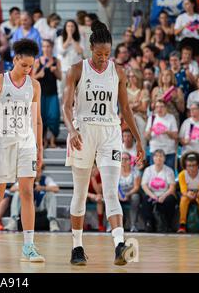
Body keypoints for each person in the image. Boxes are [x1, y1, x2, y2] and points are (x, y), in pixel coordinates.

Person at [63, 21, 145, 266]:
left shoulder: (117, 71)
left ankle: (119, 245)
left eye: (107, 54)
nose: (102, 58)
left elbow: (126, 108)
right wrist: (71, 130)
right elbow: (66, 107)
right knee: (79, 194)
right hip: (83, 131)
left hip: (110, 132)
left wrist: (138, 139)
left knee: (111, 191)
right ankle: (77, 247)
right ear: (90, 49)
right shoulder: (76, 70)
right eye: (99, 54)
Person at [0, 39, 45, 262]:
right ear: (15, 60)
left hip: (26, 143)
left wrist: (40, 149)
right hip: (1, 142)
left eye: (31, 66)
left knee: (27, 192)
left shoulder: (34, 86)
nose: (27, 70)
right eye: (24, 65)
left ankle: (29, 246)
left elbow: (38, 120)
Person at [7, 165, 60, 232]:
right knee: (18, 194)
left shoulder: (46, 179)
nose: (37, 173)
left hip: (40, 206)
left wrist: (42, 188)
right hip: (26, 206)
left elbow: (56, 189)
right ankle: (13, 221)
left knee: (51, 194)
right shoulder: (26, 179)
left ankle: (52, 222)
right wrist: (26, 188)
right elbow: (12, 189)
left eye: (39, 171)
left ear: (41, 171)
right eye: (36, 171)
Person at [33, 39, 62, 148]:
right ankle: (44, 141)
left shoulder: (56, 60)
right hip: (41, 94)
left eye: (48, 46)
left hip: (53, 93)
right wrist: (39, 75)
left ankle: (52, 141)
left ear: (52, 47)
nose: (46, 48)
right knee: (42, 117)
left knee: (54, 117)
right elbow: (32, 79)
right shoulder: (37, 61)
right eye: (44, 46)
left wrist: (55, 71)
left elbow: (60, 77)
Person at [141, 149, 177, 232]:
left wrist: (163, 196)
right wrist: (152, 195)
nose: (158, 158)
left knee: (170, 200)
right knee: (145, 199)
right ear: (153, 158)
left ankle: (167, 224)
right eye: (156, 156)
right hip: (152, 194)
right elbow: (144, 185)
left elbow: (172, 187)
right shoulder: (148, 170)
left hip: (165, 194)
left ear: (164, 158)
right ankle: (149, 223)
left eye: (161, 156)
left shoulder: (169, 170)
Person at [177, 152, 199, 234]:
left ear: (198, 165)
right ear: (185, 166)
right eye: (189, 166)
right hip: (187, 193)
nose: (191, 168)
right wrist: (188, 194)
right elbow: (183, 189)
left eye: (194, 165)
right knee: (183, 200)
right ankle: (182, 225)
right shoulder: (181, 175)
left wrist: (197, 194)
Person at [145, 100, 178, 169]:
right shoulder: (152, 118)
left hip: (168, 151)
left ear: (166, 108)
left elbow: (176, 136)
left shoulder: (171, 118)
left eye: (161, 107)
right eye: (157, 107)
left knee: (169, 174)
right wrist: (149, 132)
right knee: (154, 176)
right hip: (155, 151)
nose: (159, 109)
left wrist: (167, 132)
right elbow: (147, 137)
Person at [179, 102, 199, 171]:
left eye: (194, 109)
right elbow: (180, 138)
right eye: (190, 109)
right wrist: (184, 142)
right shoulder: (186, 122)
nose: (191, 111)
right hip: (188, 157)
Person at [126, 68, 149, 149]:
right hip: (127, 117)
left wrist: (131, 106)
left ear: (138, 77)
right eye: (129, 76)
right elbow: (124, 106)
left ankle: (142, 158)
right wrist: (136, 105)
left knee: (141, 138)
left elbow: (144, 108)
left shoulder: (143, 91)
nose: (131, 78)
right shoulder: (125, 90)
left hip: (140, 117)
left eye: (133, 76)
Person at [119, 152, 141, 232]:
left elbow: (136, 187)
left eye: (126, 159)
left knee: (136, 197)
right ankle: (112, 225)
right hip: (119, 193)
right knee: (111, 197)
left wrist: (127, 194)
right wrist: (120, 195)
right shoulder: (116, 171)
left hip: (131, 193)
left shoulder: (135, 171)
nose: (124, 161)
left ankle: (133, 225)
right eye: (122, 159)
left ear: (130, 161)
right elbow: (115, 186)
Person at [86, 164, 105, 232]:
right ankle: (82, 224)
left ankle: (100, 224)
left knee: (99, 199)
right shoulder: (84, 175)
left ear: (97, 168)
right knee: (80, 199)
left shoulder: (100, 175)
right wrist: (91, 195)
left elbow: (99, 192)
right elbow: (80, 191)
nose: (91, 170)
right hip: (88, 196)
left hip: (97, 196)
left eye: (93, 168)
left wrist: (93, 178)